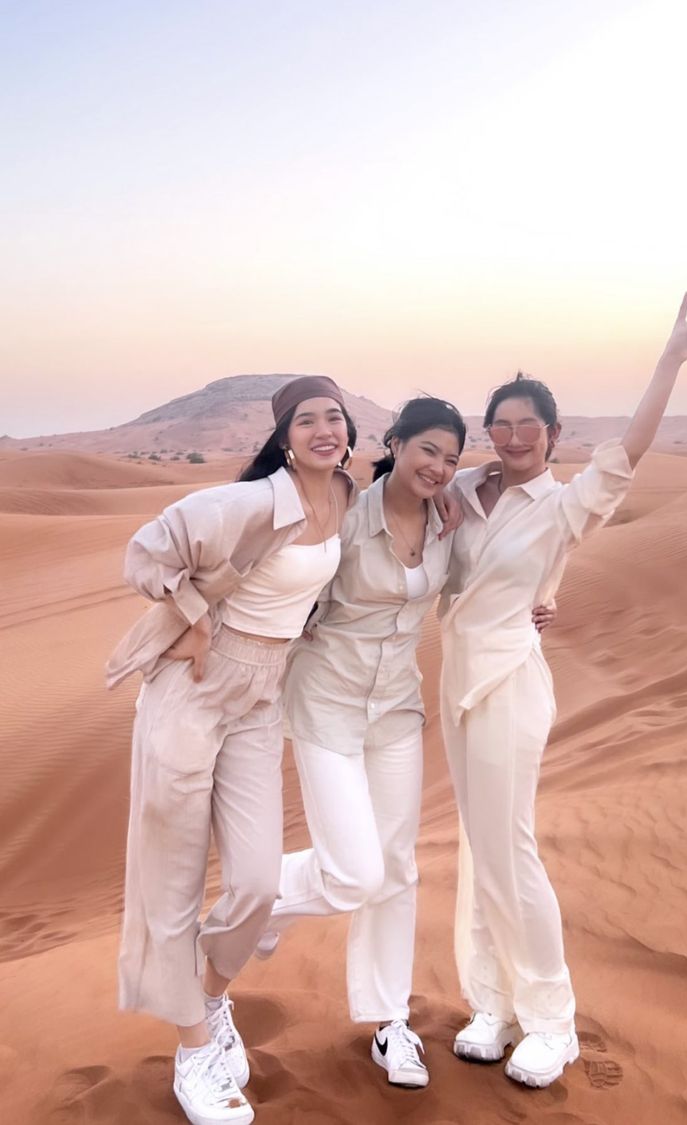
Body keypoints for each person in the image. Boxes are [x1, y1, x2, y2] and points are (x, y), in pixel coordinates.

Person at [440, 294, 687, 1089]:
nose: (515, 437)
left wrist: (666, 361)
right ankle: (492, 1002)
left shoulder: (563, 505)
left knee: (509, 845)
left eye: (529, 426)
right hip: (455, 680)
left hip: (511, 680)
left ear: (552, 435)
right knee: (476, 845)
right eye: (502, 424)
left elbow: (627, 451)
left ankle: (551, 1020)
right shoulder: (459, 491)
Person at [255, 397, 554, 1089]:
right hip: (325, 700)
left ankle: (390, 1021)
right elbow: (283, 575)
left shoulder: (450, 518)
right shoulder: (343, 512)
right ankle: (258, 892)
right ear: (393, 442)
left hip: (394, 707)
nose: (439, 466)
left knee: (396, 866)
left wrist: (547, 598)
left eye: (450, 457)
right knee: (352, 868)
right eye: (426, 450)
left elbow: (513, 548)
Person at [106, 376, 356, 1125]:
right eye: (306, 420)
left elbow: (420, 492)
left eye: (334, 417)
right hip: (194, 689)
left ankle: (210, 999)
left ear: (348, 431)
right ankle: (192, 1053)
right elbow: (145, 551)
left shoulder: (345, 495)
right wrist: (192, 614)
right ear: (283, 438)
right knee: (171, 876)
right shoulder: (249, 502)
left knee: (252, 880)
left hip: (260, 697)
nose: (322, 429)